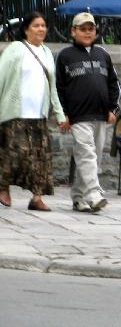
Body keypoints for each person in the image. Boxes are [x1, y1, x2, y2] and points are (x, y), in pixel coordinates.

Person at [0, 11, 67, 211]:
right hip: (15, 113)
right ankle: (3, 188)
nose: (41, 29)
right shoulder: (15, 49)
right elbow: (1, 76)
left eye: (43, 25)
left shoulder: (46, 52)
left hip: (39, 114)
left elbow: (53, 87)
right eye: (36, 25)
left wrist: (60, 114)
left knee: (40, 158)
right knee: (13, 154)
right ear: (26, 29)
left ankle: (36, 198)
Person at [56, 12, 120, 212]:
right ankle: (93, 194)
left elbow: (113, 83)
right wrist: (63, 114)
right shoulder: (65, 56)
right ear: (73, 31)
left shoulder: (103, 55)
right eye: (82, 29)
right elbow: (59, 87)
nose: (87, 32)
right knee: (86, 154)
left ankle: (78, 197)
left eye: (90, 29)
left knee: (93, 158)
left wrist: (113, 108)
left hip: (100, 114)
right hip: (78, 115)